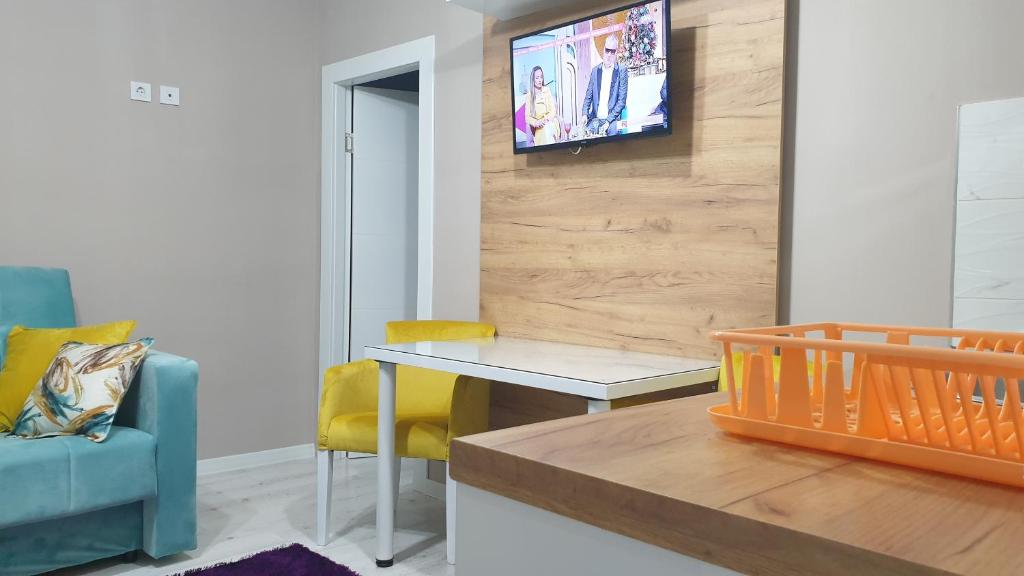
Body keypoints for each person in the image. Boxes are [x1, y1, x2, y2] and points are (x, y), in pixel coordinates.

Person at [582, 34, 629, 136]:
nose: (609, 55)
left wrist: (608, 121)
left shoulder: (622, 71)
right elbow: (588, 96)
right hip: (595, 119)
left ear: (616, 52)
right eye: (607, 50)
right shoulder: (595, 71)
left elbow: (622, 101)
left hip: (612, 120)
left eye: (612, 52)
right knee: (584, 136)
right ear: (603, 50)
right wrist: (584, 114)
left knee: (613, 132)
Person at [526, 66, 560, 146]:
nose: (540, 80)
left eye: (541, 77)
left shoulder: (547, 90)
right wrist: (536, 123)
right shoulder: (529, 96)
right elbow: (527, 117)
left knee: (548, 128)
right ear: (533, 79)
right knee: (545, 132)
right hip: (539, 126)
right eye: (537, 78)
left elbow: (553, 110)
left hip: (551, 122)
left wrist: (546, 119)